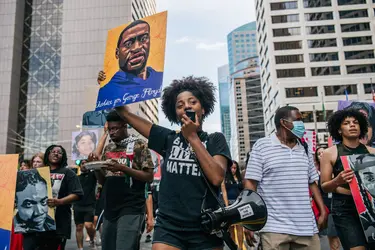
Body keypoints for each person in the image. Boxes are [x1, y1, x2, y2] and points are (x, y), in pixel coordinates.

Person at [111, 74, 232, 250]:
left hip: (205, 227)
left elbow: (216, 177)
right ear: (175, 113)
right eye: (180, 105)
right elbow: (124, 114)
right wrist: (110, 84)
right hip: (169, 227)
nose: (187, 107)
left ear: (203, 109)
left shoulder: (215, 140)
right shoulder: (168, 138)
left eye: (193, 102)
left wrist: (192, 137)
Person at [244, 106, 327, 250]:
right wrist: (250, 221)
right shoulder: (262, 146)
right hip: (274, 228)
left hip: (306, 227)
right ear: (284, 123)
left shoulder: (304, 147)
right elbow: (250, 184)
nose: (302, 125)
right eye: (298, 120)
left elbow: (312, 182)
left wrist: (323, 211)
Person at [88, 110, 154, 250]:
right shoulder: (109, 148)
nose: (112, 132)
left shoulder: (138, 145)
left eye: (115, 128)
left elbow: (149, 176)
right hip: (110, 207)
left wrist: (123, 168)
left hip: (131, 207)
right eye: (110, 129)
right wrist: (95, 166)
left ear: (124, 126)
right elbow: (103, 180)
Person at [320, 109, 375, 250]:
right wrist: (337, 181)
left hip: (370, 205)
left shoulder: (372, 152)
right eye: (347, 123)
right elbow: (324, 186)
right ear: (339, 129)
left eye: (356, 122)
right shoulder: (329, 153)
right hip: (344, 208)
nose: (352, 125)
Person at [22, 145, 83, 250]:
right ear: (48, 154)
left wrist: (60, 201)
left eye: (59, 152)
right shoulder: (37, 172)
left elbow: (78, 194)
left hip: (57, 224)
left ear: (63, 156)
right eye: (53, 151)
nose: (56, 153)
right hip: (33, 224)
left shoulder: (68, 173)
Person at [96, 20, 163, 110]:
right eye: (128, 44)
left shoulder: (159, 79)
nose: (137, 47)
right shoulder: (107, 90)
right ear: (117, 53)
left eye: (143, 39)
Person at [315, 147, 342, 250]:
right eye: (319, 153)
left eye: (323, 152)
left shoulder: (337, 168)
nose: (322, 154)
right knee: (333, 240)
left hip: (340, 207)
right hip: (327, 209)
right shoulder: (316, 174)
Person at [73, 160, 98, 250]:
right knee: (79, 227)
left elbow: (98, 170)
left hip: (89, 205)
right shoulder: (76, 177)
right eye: (82, 164)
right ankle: (80, 248)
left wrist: (92, 164)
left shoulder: (93, 176)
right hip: (77, 205)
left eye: (86, 163)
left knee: (88, 225)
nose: (84, 165)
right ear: (79, 166)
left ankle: (92, 238)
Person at [221, 161, 244, 248]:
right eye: (231, 168)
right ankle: (234, 247)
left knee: (240, 226)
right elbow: (224, 192)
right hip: (230, 204)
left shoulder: (240, 178)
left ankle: (241, 247)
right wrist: (227, 207)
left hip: (239, 204)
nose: (233, 170)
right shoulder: (225, 178)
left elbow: (244, 191)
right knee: (231, 228)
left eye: (235, 168)